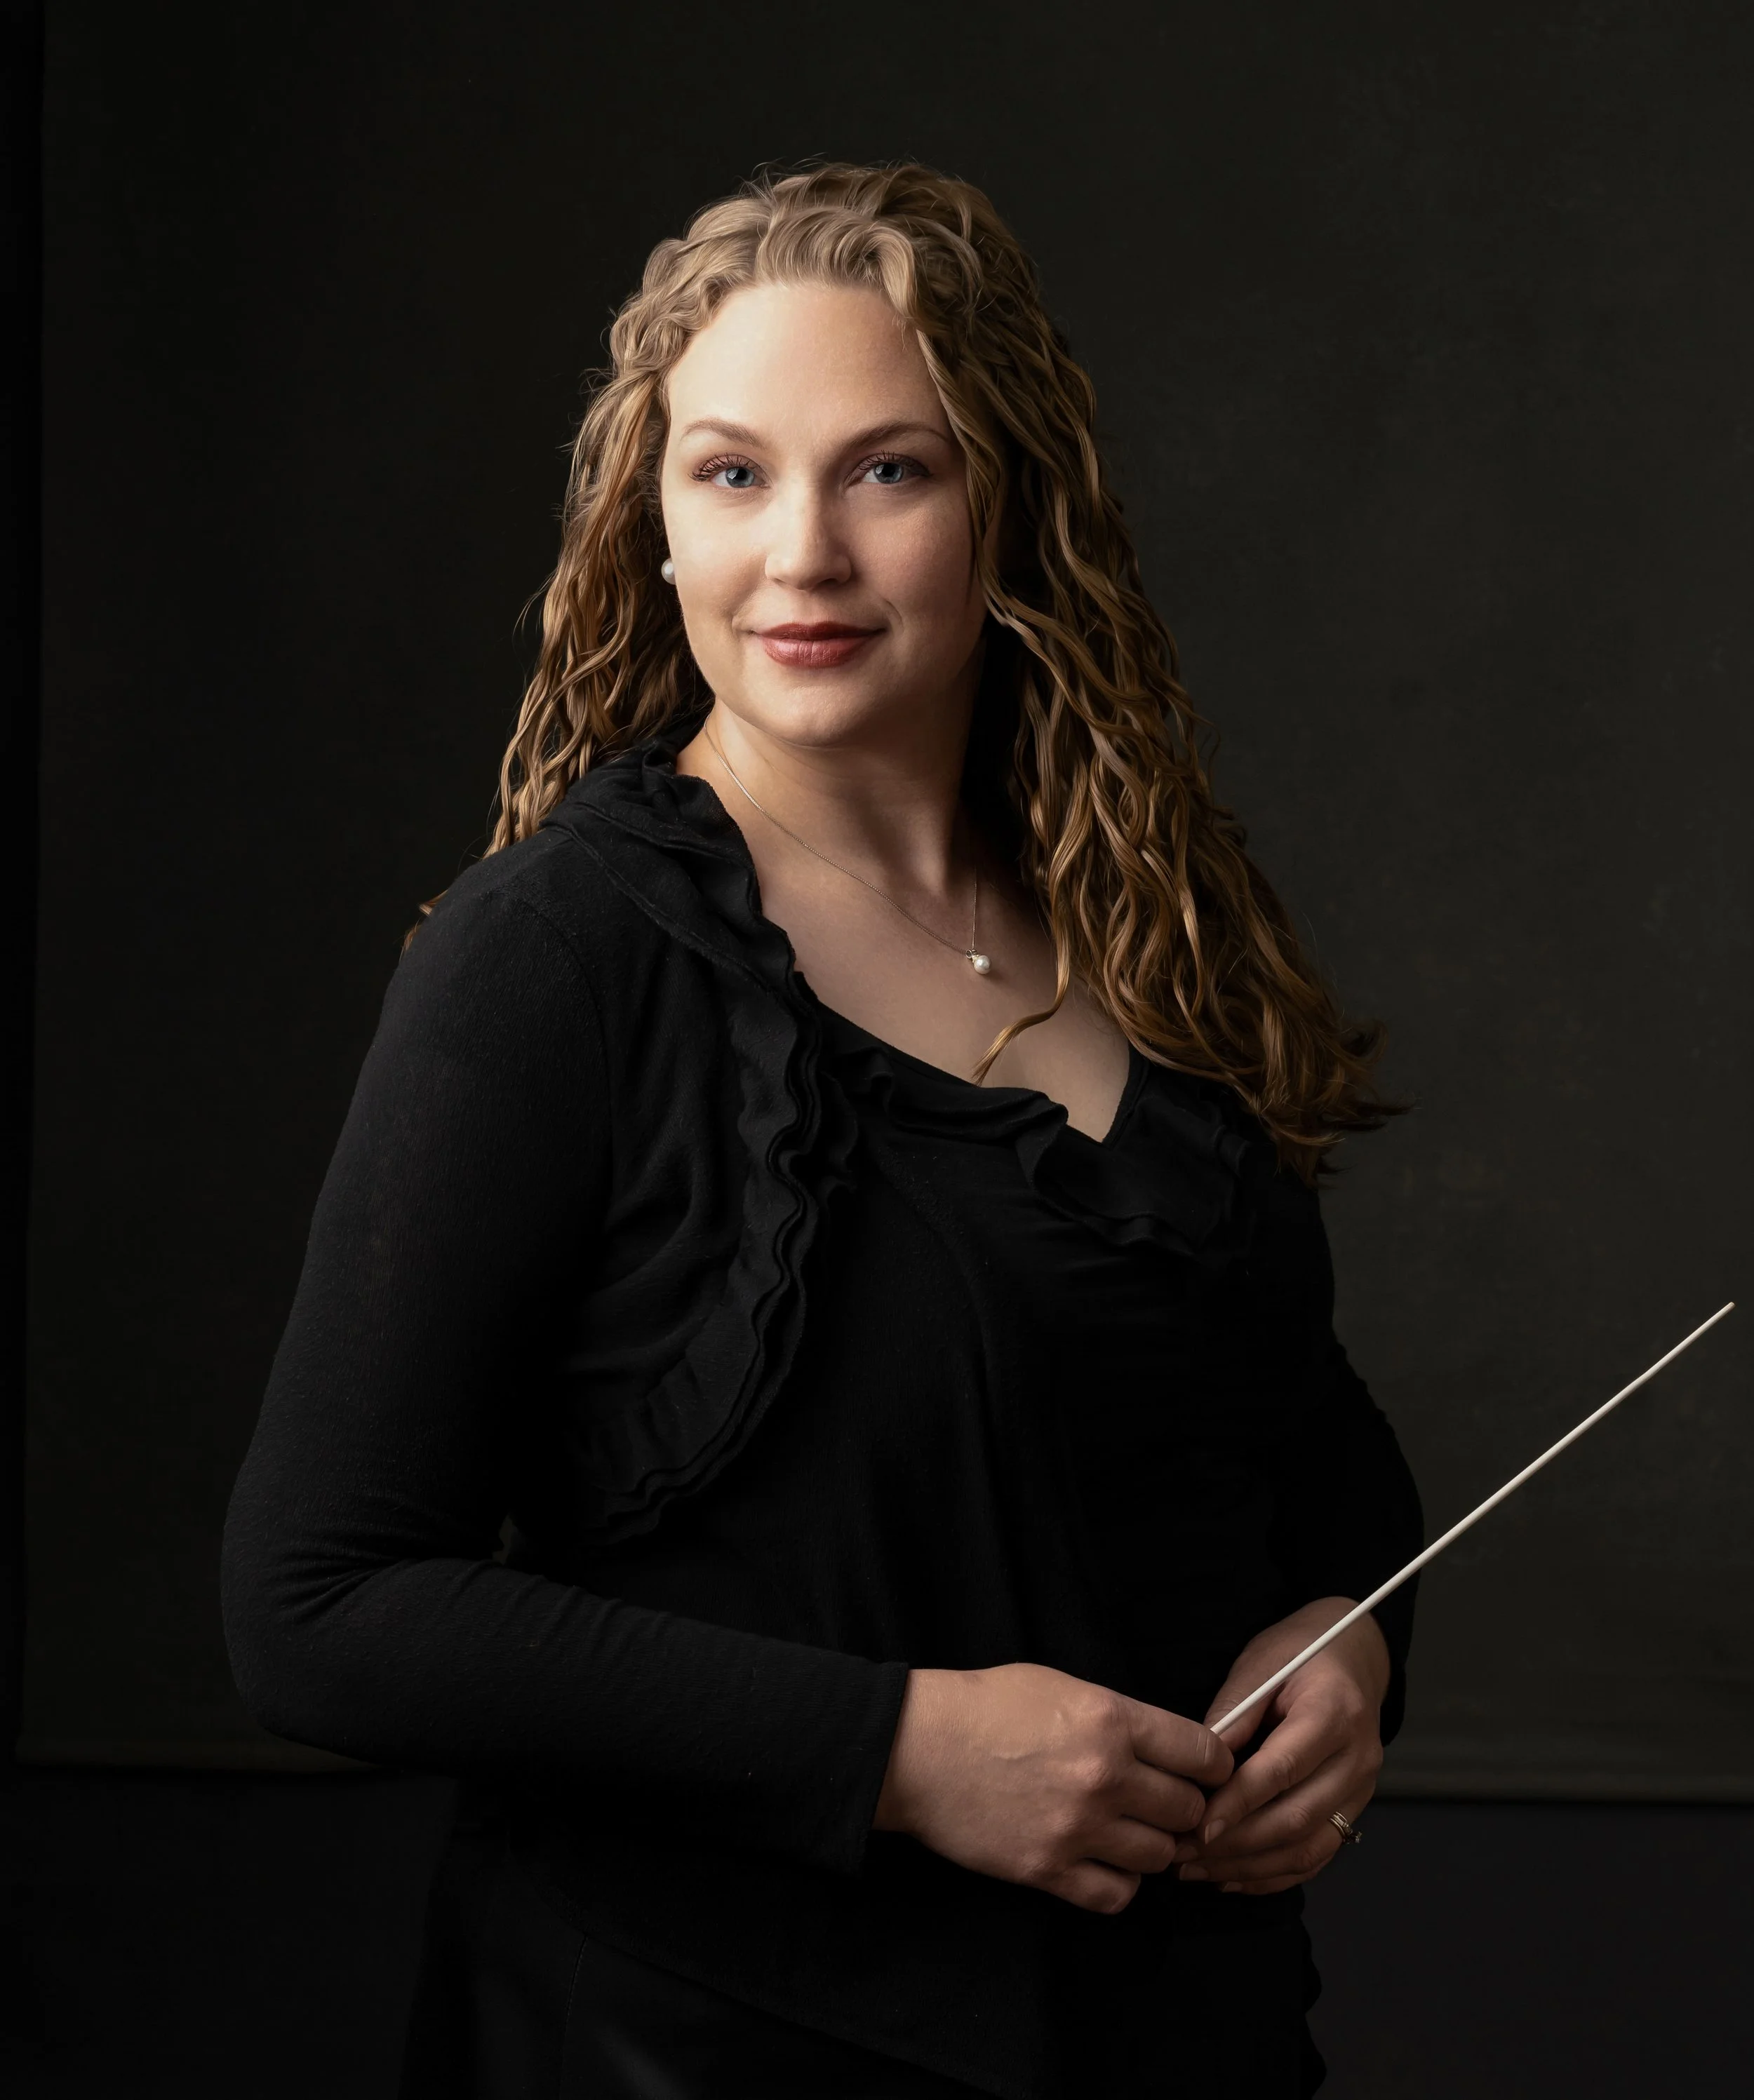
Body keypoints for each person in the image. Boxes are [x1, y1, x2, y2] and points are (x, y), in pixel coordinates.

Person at [221, 161, 1423, 2099]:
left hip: (1169, 2045)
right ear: (652, 521)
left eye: (888, 471)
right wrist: (898, 1753)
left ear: (1010, 504)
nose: (801, 553)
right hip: (699, 2045)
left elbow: (1310, 1458)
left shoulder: (1141, 929)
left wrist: (1353, 1645)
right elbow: (319, 1609)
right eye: (730, 473)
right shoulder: (560, 954)